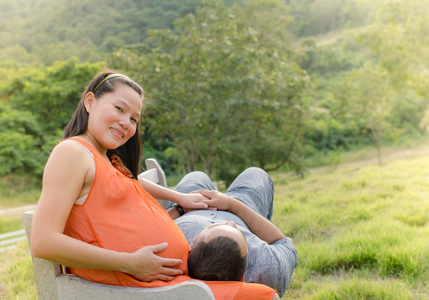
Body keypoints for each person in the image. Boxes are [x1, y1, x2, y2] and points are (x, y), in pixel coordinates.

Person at [30, 71, 280, 300]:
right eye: (118, 108)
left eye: (134, 119)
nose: (126, 123)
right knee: (266, 296)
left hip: (165, 281)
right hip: (137, 288)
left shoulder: (105, 158)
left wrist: (179, 198)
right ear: (90, 102)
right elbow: (43, 241)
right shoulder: (72, 152)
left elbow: (126, 182)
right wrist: (129, 263)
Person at [169, 168, 299, 297]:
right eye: (237, 231)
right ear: (243, 278)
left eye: (210, 228)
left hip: (188, 205)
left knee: (196, 175)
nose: (231, 223)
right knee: (256, 174)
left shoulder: (167, 256)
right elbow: (283, 242)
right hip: (240, 210)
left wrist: (179, 209)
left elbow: (153, 222)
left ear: (191, 247)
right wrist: (231, 204)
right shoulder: (265, 266)